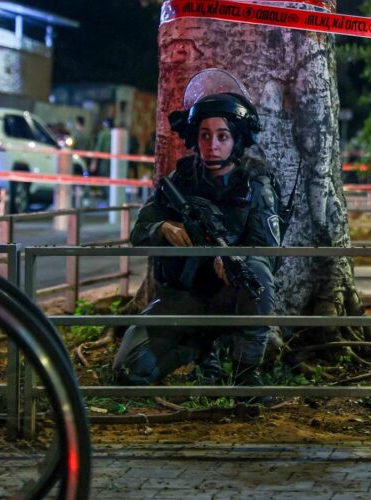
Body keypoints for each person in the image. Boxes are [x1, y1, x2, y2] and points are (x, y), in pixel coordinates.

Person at [113, 69, 280, 393]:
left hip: (231, 298)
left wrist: (234, 260)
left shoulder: (255, 184)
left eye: (222, 136)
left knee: (256, 273)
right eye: (205, 135)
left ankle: (246, 373)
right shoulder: (182, 180)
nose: (212, 145)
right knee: (130, 371)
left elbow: (267, 254)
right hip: (184, 299)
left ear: (237, 139)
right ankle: (201, 349)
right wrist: (164, 227)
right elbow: (140, 230)